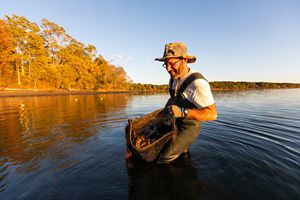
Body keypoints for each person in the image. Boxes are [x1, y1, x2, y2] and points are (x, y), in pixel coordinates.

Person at [155, 42, 217, 164]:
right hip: (175, 123)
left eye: (172, 63)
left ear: (184, 60)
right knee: (176, 152)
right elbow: (173, 98)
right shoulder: (173, 78)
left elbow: (212, 114)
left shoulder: (197, 83)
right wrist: (164, 113)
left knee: (163, 158)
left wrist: (183, 112)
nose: (168, 68)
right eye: (165, 64)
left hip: (188, 128)